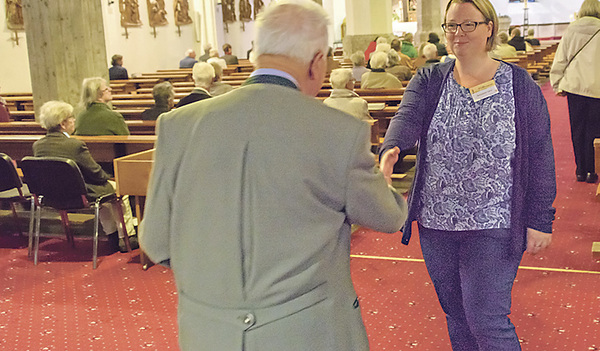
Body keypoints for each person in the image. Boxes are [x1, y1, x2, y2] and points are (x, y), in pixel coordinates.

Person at [140, 1, 407, 350]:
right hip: (307, 333)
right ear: (316, 62)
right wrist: (383, 186)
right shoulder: (338, 131)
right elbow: (386, 217)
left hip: (207, 331)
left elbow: (156, 241)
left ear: (258, 53)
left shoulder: (178, 125)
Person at [380, 0, 556, 349]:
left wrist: (541, 219)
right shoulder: (430, 78)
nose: (457, 34)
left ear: (489, 27)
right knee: (457, 315)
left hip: (495, 222)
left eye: (468, 25)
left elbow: (539, 154)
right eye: (451, 26)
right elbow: (407, 116)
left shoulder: (519, 85)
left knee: (486, 319)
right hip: (437, 222)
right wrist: (391, 147)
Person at [33, 101, 137, 253]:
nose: (74, 120)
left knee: (104, 192)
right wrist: (111, 177)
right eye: (71, 117)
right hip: (80, 194)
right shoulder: (75, 145)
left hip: (53, 195)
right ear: (63, 123)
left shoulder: (38, 145)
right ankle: (127, 238)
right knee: (118, 189)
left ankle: (112, 236)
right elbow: (95, 172)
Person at [550, 0, 600, 183]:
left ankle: (580, 169)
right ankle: (593, 171)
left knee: (577, 128)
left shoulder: (572, 29)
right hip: (597, 88)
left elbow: (561, 58)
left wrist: (557, 83)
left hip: (575, 87)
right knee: (595, 130)